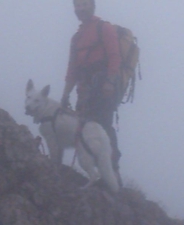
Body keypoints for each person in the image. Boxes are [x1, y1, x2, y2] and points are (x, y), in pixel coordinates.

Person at [61, 0, 122, 186]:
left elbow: (114, 56)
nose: (80, 9)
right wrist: (65, 95)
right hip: (85, 91)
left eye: (84, 4)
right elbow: (72, 69)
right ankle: (97, 175)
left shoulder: (104, 28)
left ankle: (112, 174)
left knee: (103, 128)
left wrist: (110, 82)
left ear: (93, 6)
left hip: (103, 88)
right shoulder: (76, 38)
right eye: (77, 6)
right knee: (87, 130)